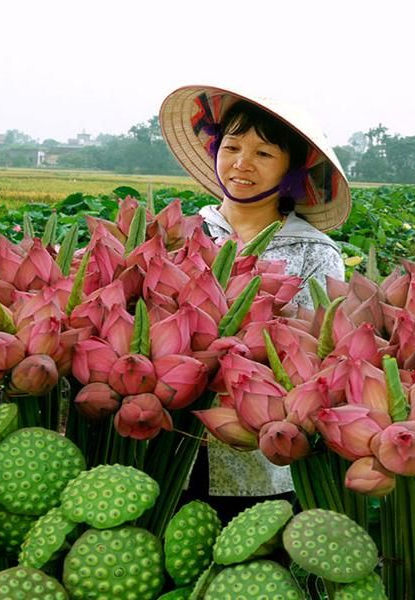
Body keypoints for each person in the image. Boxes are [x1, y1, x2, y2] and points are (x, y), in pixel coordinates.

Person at [159, 84, 352, 519]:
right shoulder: (180, 235)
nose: (242, 164)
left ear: (291, 169)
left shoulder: (315, 252)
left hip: (262, 457)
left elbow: (318, 357)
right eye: (232, 147)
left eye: (264, 154)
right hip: (169, 449)